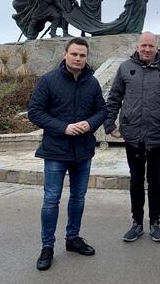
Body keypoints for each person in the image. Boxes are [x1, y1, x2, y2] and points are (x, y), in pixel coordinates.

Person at [28, 38, 107, 271]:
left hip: (83, 151)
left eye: (82, 55)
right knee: (51, 200)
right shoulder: (49, 81)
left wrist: (89, 123)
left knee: (78, 198)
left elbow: (102, 110)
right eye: (74, 54)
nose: (78, 59)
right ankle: (47, 247)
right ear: (65, 54)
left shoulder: (92, 83)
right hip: (56, 151)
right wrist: (63, 127)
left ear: (86, 57)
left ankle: (73, 238)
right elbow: (35, 111)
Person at [104, 32, 160, 242]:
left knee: (154, 179)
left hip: (157, 133)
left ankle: (155, 222)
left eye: (150, 46)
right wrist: (110, 124)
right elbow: (114, 97)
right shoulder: (126, 68)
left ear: (156, 47)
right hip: (133, 135)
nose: (147, 49)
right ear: (138, 46)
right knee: (136, 179)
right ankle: (137, 222)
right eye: (143, 45)